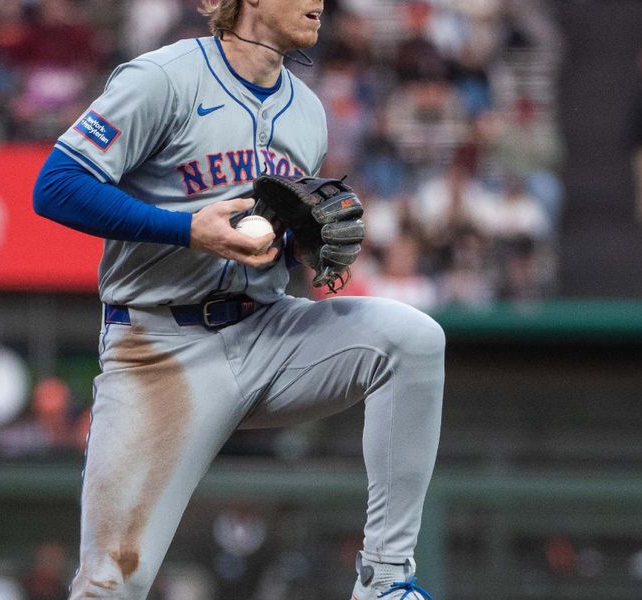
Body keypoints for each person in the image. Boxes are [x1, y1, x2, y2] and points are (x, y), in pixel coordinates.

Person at [32, 1, 444, 598]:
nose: (318, 2)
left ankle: (385, 581)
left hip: (268, 332)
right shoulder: (162, 79)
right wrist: (186, 229)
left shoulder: (307, 111)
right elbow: (56, 187)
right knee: (109, 585)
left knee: (412, 340)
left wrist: (305, 248)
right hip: (161, 346)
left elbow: (273, 240)